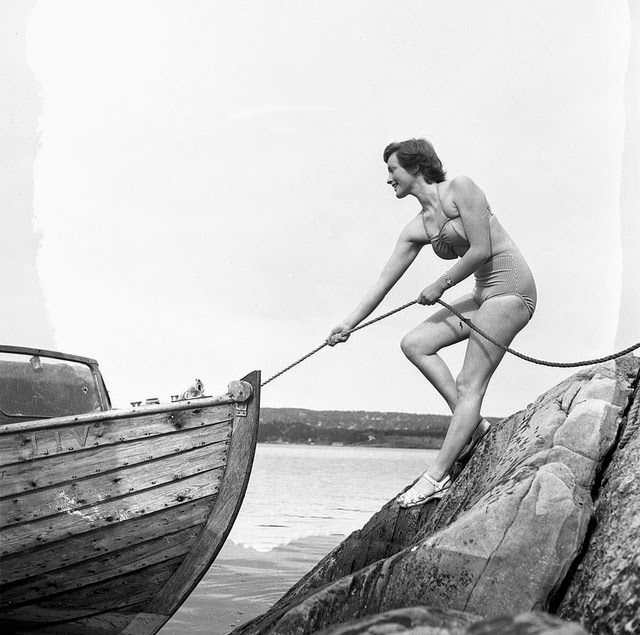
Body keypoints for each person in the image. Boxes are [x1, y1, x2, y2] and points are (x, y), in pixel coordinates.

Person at [326, 138, 537, 508]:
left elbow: (481, 249)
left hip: (511, 290)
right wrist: (348, 325)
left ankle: (435, 477)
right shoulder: (416, 228)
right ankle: (475, 426)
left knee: (469, 384)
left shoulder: (461, 189)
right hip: (482, 294)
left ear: (415, 167)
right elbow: (382, 283)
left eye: (392, 169)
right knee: (415, 343)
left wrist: (441, 284)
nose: (388, 179)